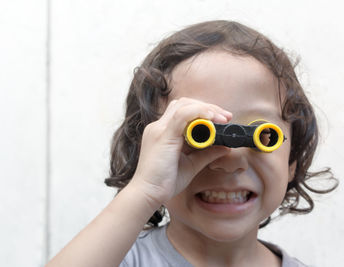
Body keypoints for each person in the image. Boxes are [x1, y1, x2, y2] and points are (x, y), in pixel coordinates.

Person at [47, 20, 338, 267]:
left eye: (263, 136)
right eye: (198, 135)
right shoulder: (117, 258)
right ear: (147, 154)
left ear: (291, 162)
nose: (230, 158)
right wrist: (144, 190)